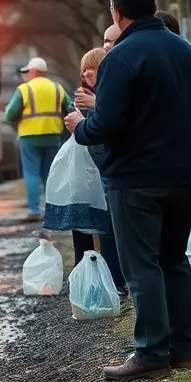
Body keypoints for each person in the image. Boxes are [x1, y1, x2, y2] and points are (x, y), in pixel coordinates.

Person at [65, 0, 191, 382]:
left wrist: (80, 125)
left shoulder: (121, 57)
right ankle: (182, 349)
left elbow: (108, 123)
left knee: (142, 265)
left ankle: (151, 352)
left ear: (117, 10)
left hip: (135, 178)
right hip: (184, 174)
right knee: (174, 260)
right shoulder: (188, 52)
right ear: (152, 4)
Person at [71, 47, 126, 295]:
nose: (84, 76)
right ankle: (113, 280)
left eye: (88, 70)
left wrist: (81, 125)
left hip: (111, 168)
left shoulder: (106, 95)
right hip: (103, 168)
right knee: (105, 228)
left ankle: (116, 282)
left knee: (109, 230)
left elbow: (104, 128)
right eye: (82, 72)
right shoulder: (95, 94)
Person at [4, 56, 73, 222]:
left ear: (34, 71)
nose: (26, 75)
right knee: (50, 174)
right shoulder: (58, 89)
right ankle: (54, 210)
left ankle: (34, 211)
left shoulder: (24, 89)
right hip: (53, 137)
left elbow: (10, 114)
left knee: (31, 174)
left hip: (30, 137)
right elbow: (70, 108)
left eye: (27, 72)